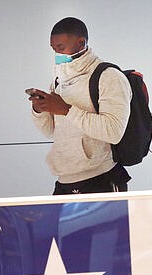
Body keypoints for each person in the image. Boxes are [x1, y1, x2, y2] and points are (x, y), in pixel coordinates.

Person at [28, 17, 132, 194]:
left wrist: (65, 110)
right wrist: (40, 110)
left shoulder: (109, 76)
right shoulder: (60, 78)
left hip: (101, 179)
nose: (57, 55)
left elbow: (114, 132)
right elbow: (51, 131)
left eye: (61, 48)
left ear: (81, 42)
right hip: (64, 181)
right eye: (54, 49)